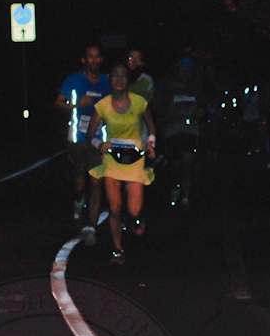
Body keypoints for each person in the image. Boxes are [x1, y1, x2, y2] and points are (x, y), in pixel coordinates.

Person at [87, 64, 157, 265]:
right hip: (113, 159)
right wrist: (100, 144)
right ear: (110, 81)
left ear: (128, 80)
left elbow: (151, 127)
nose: (118, 79)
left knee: (134, 210)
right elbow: (90, 135)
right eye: (115, 76)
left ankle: (135, 219)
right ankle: (117, 250)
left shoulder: (139, 102)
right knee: (115, 207)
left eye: (123, 76)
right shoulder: (102, 105)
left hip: (134, 159)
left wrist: (150, 143)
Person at [55, 45, 110, 245]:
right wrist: (77, 105)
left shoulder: (107, 81)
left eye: (97, 57)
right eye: (90, 57)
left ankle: (91, 227)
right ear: (84, 60)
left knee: (96, 182)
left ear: (101, 59)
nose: (94, 60)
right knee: (80, 184)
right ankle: (79, 201)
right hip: (77, 139)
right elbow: (58, 102)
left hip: (99, 140)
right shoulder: (73, 80)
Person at [154, 58, 203, 210]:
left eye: (188, 69)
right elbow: (158, 108)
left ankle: (186, 197)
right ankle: (175, 187)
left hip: (190, 130)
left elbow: (202, 109)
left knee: (187, 162)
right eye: (183, 69)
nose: (186, 72)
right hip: (172, 131)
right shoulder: (167, 88)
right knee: (175, 164)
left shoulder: (195, 89)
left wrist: (199, 113)